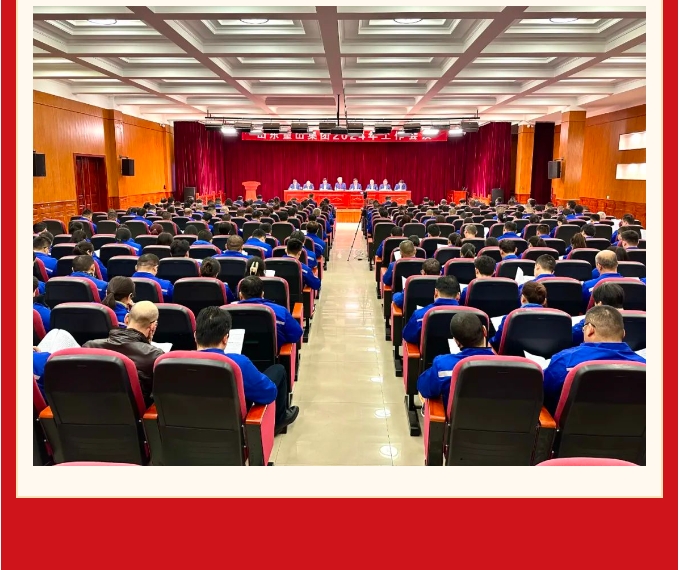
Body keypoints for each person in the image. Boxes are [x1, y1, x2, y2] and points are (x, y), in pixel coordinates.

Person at [194, 306, 298, 433]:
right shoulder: (238, 363)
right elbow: (268, 394)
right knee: (278, 370)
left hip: (187, 432)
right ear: (225, 339)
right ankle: (280, 419)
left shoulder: (173, 363)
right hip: (233, 433)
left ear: (195, 336)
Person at [543, 305, 645, 415]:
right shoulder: (644, 365)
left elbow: (543, 392)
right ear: (624, 333)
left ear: (590, 329)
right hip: (630, 425)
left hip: (574, 425)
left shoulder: (565, 360)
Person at [84, 301, 164, 405]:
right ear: (153, 326)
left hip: (91, 409)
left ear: (126, 319)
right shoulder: (155, 356)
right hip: (132, 414)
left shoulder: (89, 347)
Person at [417, 312, 494, 404]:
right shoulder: (505, 365)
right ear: (484, 331)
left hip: (458, 413)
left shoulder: (443, 365)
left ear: (456, 341)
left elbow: (424, 388)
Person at [237, 276, 303, 351]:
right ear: (262, 294)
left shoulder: (228, 312)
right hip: (272, 357)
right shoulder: (280, 311)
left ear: (240, 295)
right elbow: (296, 335)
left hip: (233, 358)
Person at [402, 276, 461, 345]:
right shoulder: (468, 316)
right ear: (458, 295)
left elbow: (407, 336)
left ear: (436, 292)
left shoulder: (419, 316)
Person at [490, 281, 547, 350]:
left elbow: (496, 343)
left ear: (522, 299)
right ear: (544, 301)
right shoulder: (554, 320)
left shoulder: (509, 319)